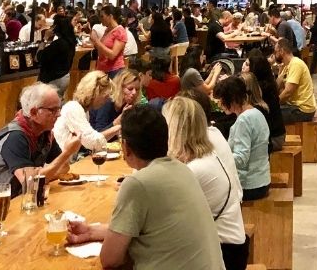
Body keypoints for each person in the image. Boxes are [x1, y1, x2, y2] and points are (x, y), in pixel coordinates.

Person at [66, 105, 225, 270]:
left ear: (125, 146)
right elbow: (145, 230)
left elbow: (110, 259)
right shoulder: (182, 169)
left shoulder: (138, 184)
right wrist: (90, 231)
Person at [164, 97, 248, 270]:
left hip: (224, 253)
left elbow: (162, 219)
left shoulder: (194, 170)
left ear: (175, 128)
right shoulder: (207, 153)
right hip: (231, 246)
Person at [0, 83, 81, 213]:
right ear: (34, 112)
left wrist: (41, 174)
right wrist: (67, 152)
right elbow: (30, 183)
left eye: (59, 109)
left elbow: (64, 168)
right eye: (53, 110)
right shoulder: (14, 138)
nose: (58, 115)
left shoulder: (44, 133)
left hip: (22, 203)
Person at [213, 76, 271, 201]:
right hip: (262, 180)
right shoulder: (257, 112)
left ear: (232, 99)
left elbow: (241, 158)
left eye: (222, 100)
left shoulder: (244, 120)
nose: (220, 105)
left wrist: (218, 157)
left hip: (250, 185)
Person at [53, 70, 122, 155]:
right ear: (94, 92)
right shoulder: (73, 108)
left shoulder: (83, 110)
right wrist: (118, 127)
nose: (106, 100)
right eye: (105, 96)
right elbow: (92, 141)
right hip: (63, 163)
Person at [243, 52, 286, 149]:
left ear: (255, 70)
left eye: (247, 64)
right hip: (272, 135)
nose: (243, 66)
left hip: (274, 138)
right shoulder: (265, 83)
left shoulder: (261, 89)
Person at [273, 37, 316, 123]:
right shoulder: (287, 65)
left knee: (271, 116)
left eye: (275, 52)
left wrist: (274, 104)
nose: (274, 55)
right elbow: (276, 86)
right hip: (294, 106)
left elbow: (288, 92)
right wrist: (280, 71)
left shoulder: (296, 64)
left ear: (282, 51)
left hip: (302, 109)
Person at [37, 15, 77, 95]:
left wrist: (45, 38)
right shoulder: (71, 42)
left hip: (53, 79)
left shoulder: (58, 44)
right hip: (64, 77)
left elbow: (39, 57)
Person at [91, 4, 127, 77]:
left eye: (102, 16)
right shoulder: (108, 30)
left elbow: (112, 55)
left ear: (110, 16)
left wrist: (97, 41)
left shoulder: (119, 31)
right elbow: (102, 49)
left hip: (113, 71)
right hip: (102, 69)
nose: (100, 19)